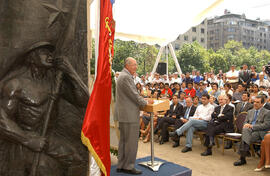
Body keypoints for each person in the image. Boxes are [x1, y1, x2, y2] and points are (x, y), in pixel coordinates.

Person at [0, 42, 90, 176]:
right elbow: (2, 119)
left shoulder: (54, 82)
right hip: (23, 138)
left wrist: (71, 72)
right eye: (44, 53)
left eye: (50, 53)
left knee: (79, 161)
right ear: (31, 58)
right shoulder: (16, 84)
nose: (50, 56)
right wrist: (28, 140)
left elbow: (85, 101)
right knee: (46, 168)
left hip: (48, 137)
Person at [114, 57, 153, 175]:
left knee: (124, 141)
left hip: (124, 114)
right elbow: (134, 96)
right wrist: (146, 102)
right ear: (127, 65)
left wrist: (142, 99)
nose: (136, 67)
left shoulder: (122, 75)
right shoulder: (126, 77)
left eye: (136, 65)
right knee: (131, 142)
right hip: (129, 114)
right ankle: (129, 166)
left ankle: (121, 164)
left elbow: (132, 95)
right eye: (134, 65)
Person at [233, 95, 270, 166]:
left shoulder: (267, 112)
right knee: (246, 131)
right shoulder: (250, 111)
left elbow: (266, 125)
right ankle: (245, 153)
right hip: (249, 131)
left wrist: (252, 126)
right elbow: (245, 122)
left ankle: (242, 158)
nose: (255, 104)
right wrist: (246, 125)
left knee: (245, 135)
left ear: (262, 104)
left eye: (257, 102)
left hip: (259, 132)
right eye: (254, 102)